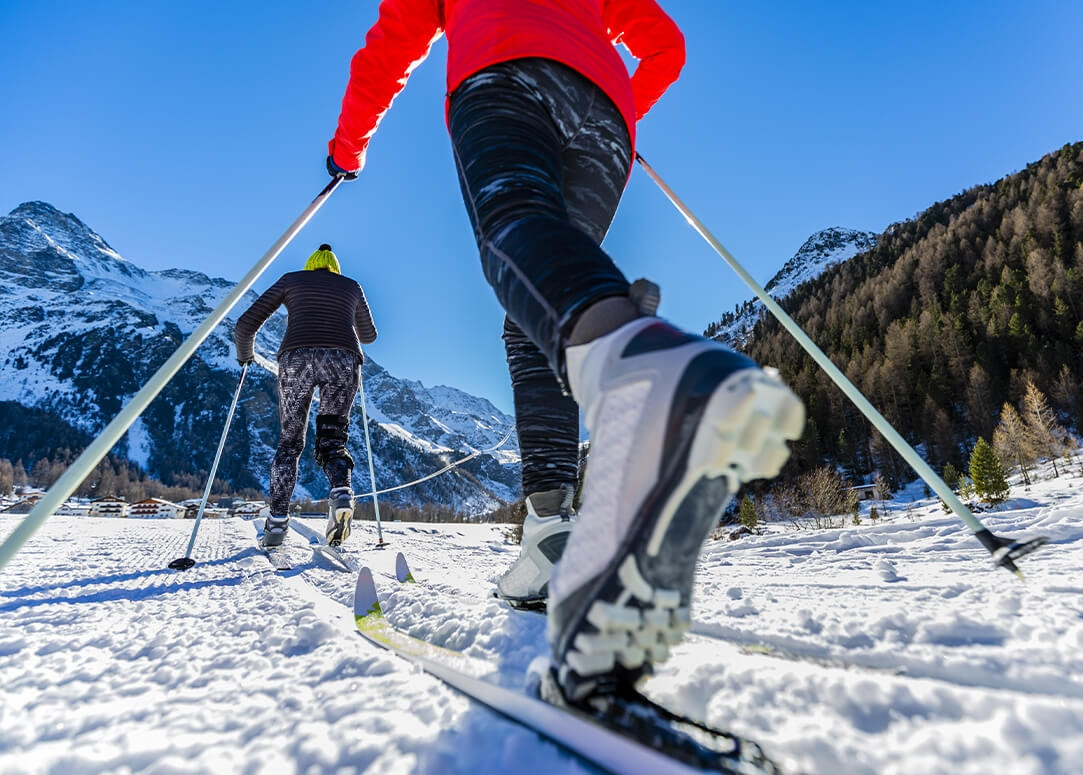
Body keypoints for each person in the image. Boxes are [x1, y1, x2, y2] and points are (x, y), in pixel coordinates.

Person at [326, 0, 805, 703]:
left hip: (504, 77)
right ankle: (551, 532)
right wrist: (625, 109)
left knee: (514, 230)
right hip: (605, 113)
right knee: (541, 304)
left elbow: (391, 42)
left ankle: (648, 375)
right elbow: (666, 46)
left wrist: (348, 147)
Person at [234, 244, 378, 548]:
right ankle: (341, 492)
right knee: (333, 440)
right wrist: (343, 310)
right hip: (344, 360)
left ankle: (275, 524)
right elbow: (369, 336)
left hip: (296, 360)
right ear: (334, 269)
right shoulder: (351, 286)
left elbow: (246, 325)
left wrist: (246, 357)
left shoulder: (291, 280)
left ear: (310, 265)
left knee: (290, 443)